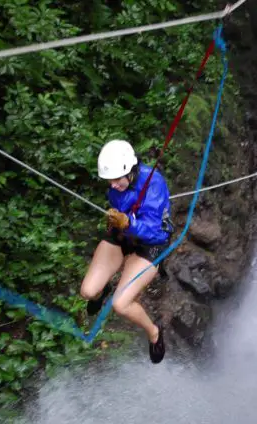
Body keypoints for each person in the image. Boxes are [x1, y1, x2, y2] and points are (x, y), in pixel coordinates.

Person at [80, 139, 174, 364]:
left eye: (116, 180)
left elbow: (154, 231)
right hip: (123, 235)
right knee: (88, 291)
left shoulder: (154, 184)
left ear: (130, 172)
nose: (112, 185)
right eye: (109, 180)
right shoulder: (117, 184)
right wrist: (117, 221)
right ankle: (103, 290)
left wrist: (128, 223)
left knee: (121, 304)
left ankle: (154, 333)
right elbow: (119, 204)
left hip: (150, 243)